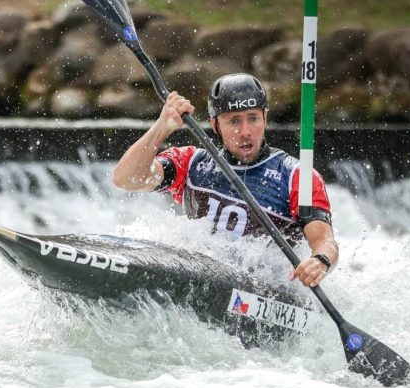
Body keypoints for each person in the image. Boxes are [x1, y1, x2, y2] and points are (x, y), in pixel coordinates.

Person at [111, 73, 338, 288]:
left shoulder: (297, 176)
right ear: (215, 125)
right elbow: (126, 179)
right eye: (233, 121)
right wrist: (163, 126)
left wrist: (319, 261)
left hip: (269, 291)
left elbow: (325, 241)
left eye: (253, 118)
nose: (245, 131)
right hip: (201, 281)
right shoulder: (190, 163)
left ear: (265, 118)